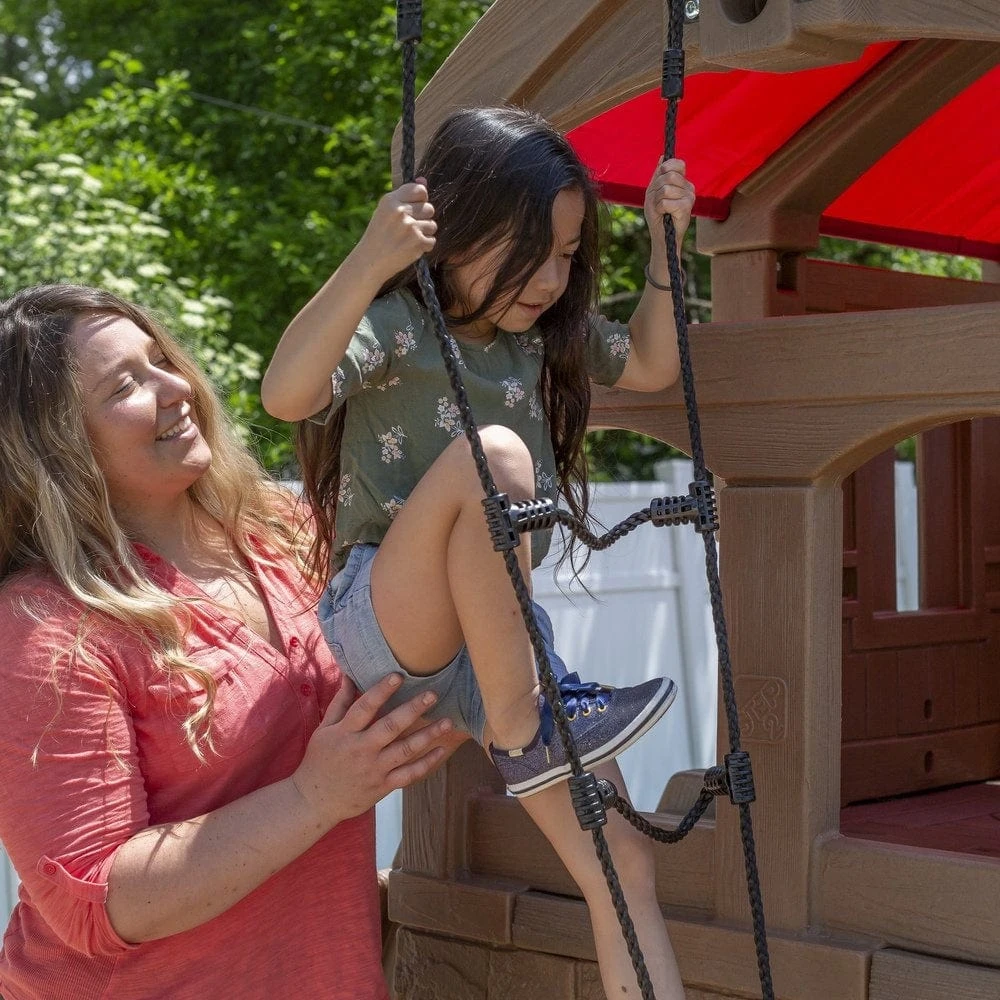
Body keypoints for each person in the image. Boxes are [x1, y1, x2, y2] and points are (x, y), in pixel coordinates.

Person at [262, 106, 695, 998]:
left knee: (624, 867)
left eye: (570, 253)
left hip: (497, 646)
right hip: (388, 614)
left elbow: (653, 365)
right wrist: (372, 257)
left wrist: (664, 250)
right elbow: (287, 393)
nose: (552, 275)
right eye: (530, 248)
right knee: (497, 457)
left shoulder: (540, 342)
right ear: (454, 230)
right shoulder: (398, 329)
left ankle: (527, 721)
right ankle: (530, 727)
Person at [0, 283, 458, 1000]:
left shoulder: (286, 528)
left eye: (160, 359)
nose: (176, 387)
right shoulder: (45, 626)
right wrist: (315, 796)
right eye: (126, 384)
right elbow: (98, 900)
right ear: (54, 447)